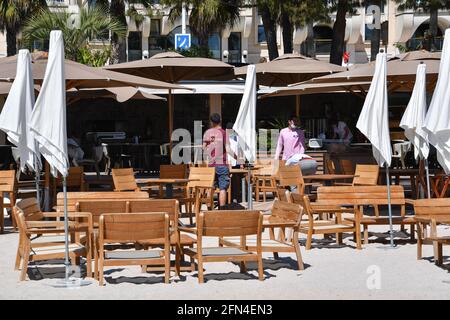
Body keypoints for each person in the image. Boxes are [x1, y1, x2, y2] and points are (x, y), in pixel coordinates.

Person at [203, 113, 230, 209]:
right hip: (222, 163)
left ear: (211, 122)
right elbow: (228, 149)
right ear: (221, 120)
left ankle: (209, 209)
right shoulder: (223, 133)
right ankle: (222, 211)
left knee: (211, 187)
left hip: (211, 164)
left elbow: (204, 148)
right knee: (223, 188)